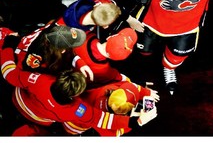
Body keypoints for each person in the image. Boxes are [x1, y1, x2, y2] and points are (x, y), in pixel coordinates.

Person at [0, 36, 155, 136]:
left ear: (60, 77)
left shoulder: (39, 80)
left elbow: (9, 74)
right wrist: (137, 122)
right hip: (40, 120)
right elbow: (100, 118)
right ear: (74, 95)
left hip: (16, 100)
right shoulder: (76, 109)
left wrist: (7, 47)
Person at [64, 80, 159, 136]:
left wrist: (146, 92)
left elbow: (130, 84)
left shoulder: (112, 88)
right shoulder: (100, 121)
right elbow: (114, 134)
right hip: (74, 124)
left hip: (77, 100)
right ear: (122, 114)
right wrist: (135, 121)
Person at [72, 27, 138, 87]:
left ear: (108, 38)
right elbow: (121, 79)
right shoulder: (105, 72)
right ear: (114, 59)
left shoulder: (86, 34)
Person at [55, 0, 144, 33]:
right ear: (105, 26)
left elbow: (111, 4)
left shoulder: (94, 2)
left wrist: (129, 18)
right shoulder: (76, 32)